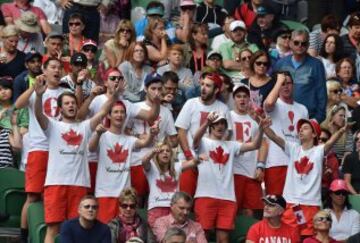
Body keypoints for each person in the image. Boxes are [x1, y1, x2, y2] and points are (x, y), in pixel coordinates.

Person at [34, 75, 120, 243]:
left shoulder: (85, 126)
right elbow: (38, 114)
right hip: (55, 183)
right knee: (53, 229)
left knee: (77, 228)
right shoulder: (53, 125)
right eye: (66, 103)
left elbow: (103, 111)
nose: (71, 105)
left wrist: (115, 96)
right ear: (60, 108)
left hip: (79, 184)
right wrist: (38, 96)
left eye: (73, 103)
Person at [263, 117, 352, 237]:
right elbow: (274, 137)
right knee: (289, 236)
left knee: (307, 237)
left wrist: (341, 131)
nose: (300, 131)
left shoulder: (319, 150)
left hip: (310, 204)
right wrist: (263, 125)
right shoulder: (293, 148)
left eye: (305, 128)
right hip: (292, 203)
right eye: (299, 129)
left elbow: (330, 142)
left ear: (314, 134)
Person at [192, 111, 266, 243]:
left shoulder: (232, 145)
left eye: (223, 124)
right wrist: (206, 123)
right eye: (217, 124)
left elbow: (255, 145)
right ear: (211, 127)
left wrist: (260, 130)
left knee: (224, 238)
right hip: (205, 195)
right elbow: (195, 139)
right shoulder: (204, 142)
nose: (220, 126)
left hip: (228, 198)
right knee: (203, 236)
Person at [15, 58, 67, 243]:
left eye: (60, 67)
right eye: (53, 67)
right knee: (32, 195)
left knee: (52, 195)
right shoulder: (36, 90)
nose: (57, 70)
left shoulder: (65, 92)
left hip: (58, 150)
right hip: (38, 148)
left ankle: (46, 234)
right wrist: (34, 89)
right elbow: (18, 105)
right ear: (44, 70)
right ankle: (23, 236)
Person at [89, 100, 158, 223]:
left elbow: (144, 143)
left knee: (123, 231)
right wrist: (98, 134)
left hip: (124, 196)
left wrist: (151, 135)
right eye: (116, 112)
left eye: (122, 112)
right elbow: (91, 148)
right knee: (106, 229)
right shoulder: (102, 135)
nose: (119, 115)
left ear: (126, 116)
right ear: (109, 115)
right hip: (105, 193)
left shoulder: (129, 140)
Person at [175, 73, 231, 197]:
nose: (203, 88)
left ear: (216, 90)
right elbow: (181, 132)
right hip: (188, 161)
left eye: (208, 86)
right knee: (185, 198)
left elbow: (227, 135)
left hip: (211, 164)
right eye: (202, 84)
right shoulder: (191, 103)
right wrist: (190, 157)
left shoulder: (223, 108)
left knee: (205, 200)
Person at [126, 73, 178, 206]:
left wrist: (164, 142)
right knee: (137, 199)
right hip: (137, 160)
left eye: (160, 89)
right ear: (145, 89)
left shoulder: (166, 111)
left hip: (158, 164)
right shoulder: (136, 107)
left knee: (155, 198)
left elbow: (173, 140)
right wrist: (139, 136)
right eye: (153, 88)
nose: (157, 92)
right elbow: (125, 132)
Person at [263, 71, 308, 195]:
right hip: (276, 162)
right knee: (276, 202)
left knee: (295, 204)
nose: (286, 86)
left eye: (289, 83)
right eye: (282, 83)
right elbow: (270, 103)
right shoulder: (274, 104)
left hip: (297, 163)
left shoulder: (303, 109)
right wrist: (278, 81)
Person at [142, 141, 203, 228]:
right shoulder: (152, 167)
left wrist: (198, 158)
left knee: (174, 237)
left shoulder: (176, 167)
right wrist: (152, 152)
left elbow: (193, 163)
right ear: (157, 154)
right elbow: (144, 161)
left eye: (168, 151)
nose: (165, 153)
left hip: (174, 210)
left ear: (171, 154)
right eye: (162, 151)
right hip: (156, 208)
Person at [274, 29, 327, 123]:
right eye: (296, 42)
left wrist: (316, 119)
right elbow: (274, 90)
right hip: (282, 117)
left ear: (308, 45)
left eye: (304, 43)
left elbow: (322, 94)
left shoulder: (316, 65)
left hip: (308, 118)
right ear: (290, 43)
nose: (300, 46)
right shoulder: (280, 63)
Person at [231, 84, 265, 218]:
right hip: (233, 172)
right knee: (233, 210)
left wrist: (260, 166)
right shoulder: (227, 116)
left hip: (251, 172)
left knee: (249, 212)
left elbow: (263, 144)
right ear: (233, 99)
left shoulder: (255, 118)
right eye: (238, 96)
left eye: (245, 96)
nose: (242, 99)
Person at [0, 78, 22, 169]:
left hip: (7, 172)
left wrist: (14, 125)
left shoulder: (6, 132)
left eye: (6, 88)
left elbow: (17, 147)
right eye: (0, 90)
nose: (3, 92)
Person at [319, 129, 340, 198]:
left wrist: (330, 174)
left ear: (329, 141)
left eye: (324, 139)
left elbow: (335, 182)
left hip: (326, 192)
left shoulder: (333, 159)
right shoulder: (308, 155)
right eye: (318, 139)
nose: (320, 141)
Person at [343, 130, 360, 194]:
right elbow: (347, 182)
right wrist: (357, 197)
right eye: (357, 139)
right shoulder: (349, 158)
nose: (359, 141)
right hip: (354, 194)